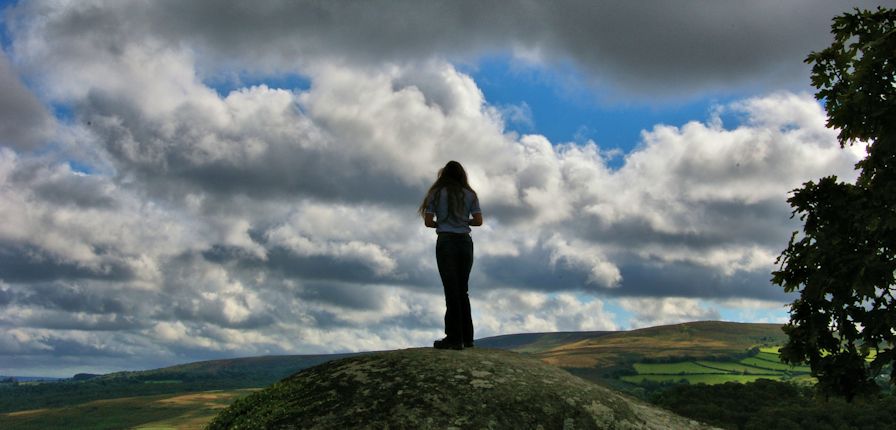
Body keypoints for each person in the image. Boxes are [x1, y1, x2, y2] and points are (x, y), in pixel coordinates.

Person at [419, 161, 483, 350]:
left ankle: (454, 338)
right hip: (465, 242)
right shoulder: (470, 194)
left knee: (451, 290)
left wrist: (443, 222)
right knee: (463, 290)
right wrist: (463, 220)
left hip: (446, 241)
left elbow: (428, 222)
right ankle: (468, 337)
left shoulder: (436, 194)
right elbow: (478, 221)